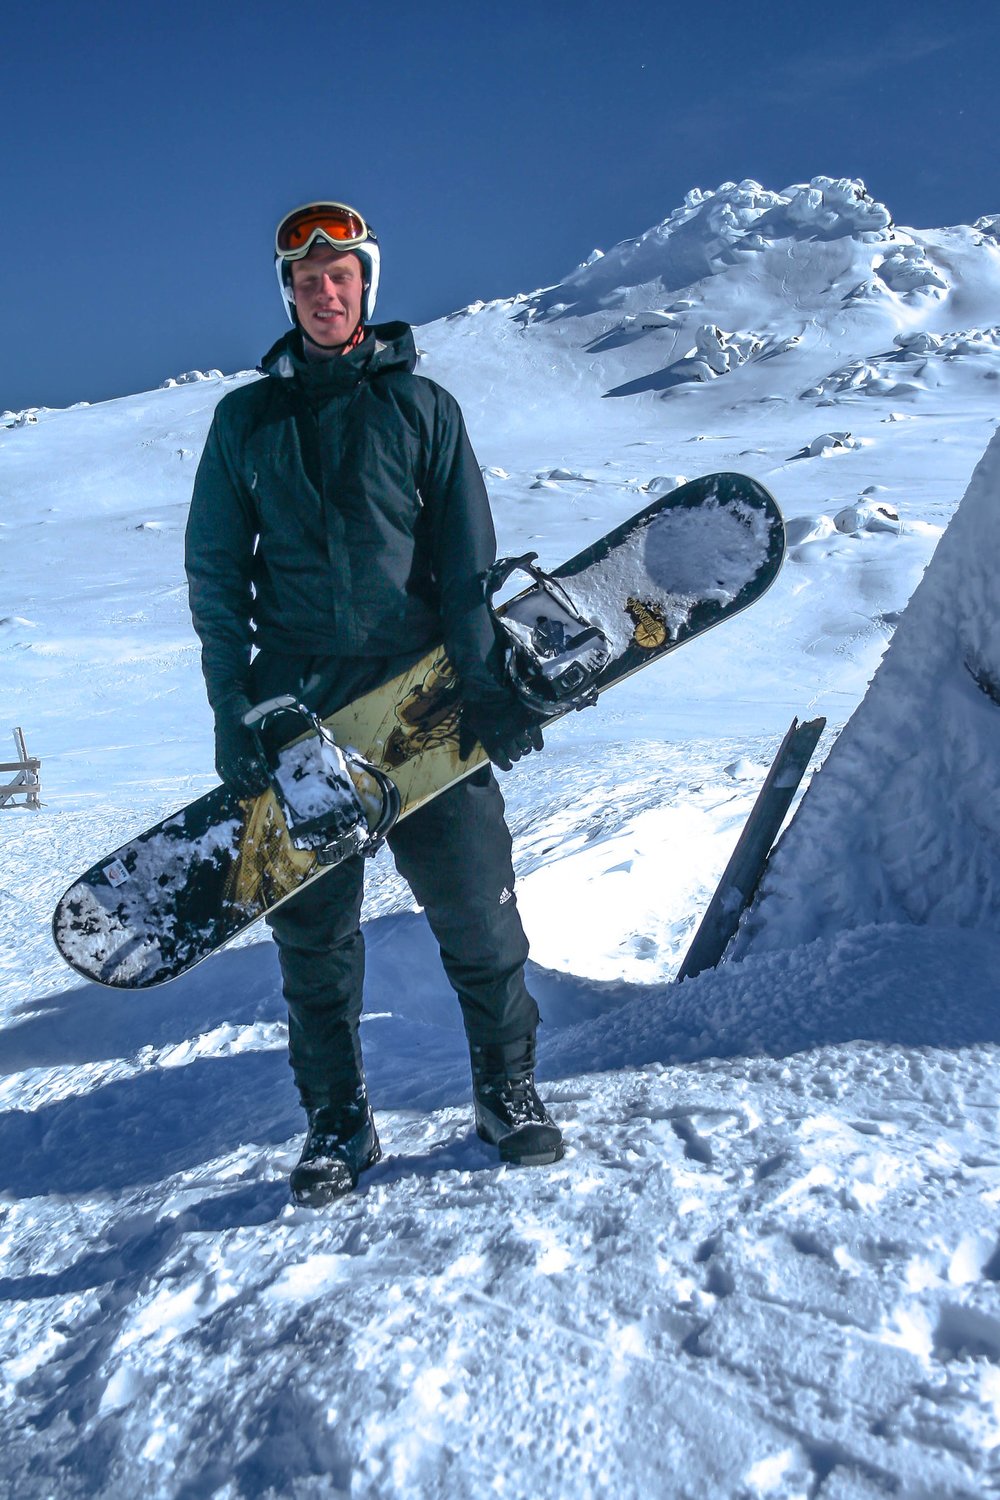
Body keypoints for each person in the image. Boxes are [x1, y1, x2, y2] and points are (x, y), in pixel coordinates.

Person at [184, 200, 562, 1205]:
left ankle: (505, 1090)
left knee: (477, 911)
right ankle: (338, 1127)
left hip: (421, 698)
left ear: (366, 287)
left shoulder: (423, 411)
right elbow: (216, 579)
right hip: (297, 710)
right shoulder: (246, 423)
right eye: (307, 281)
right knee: (313, 938)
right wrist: (233, 707)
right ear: (290, 294)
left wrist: (484, 689)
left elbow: (466, 566)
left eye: (341, 276)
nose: (324, 292)